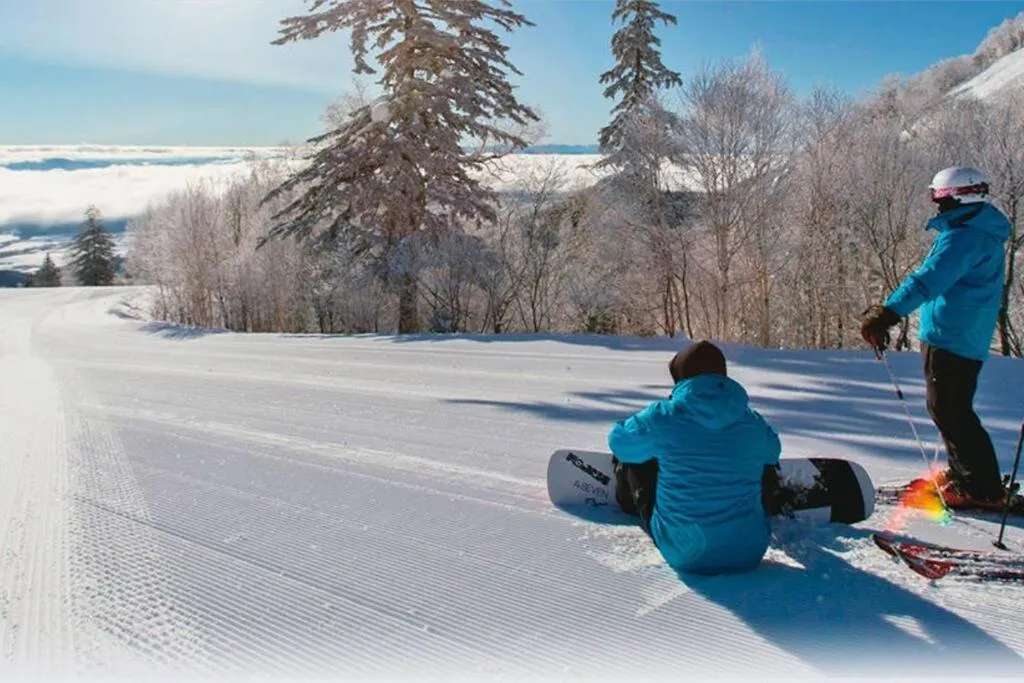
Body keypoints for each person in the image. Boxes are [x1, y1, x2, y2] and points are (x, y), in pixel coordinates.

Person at [860, 166, 1011, 510]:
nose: (937, 206)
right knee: (948, 406)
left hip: (952, 335)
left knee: (950, 408)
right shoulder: (976, 230)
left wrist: (888, 313)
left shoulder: (964, 237)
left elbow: (927, 280)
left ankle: (981, 488)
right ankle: (967, 474)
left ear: (957, 198)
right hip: (962, 331)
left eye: (939, 198)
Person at [608, 340, 781, 575]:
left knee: (637, 458)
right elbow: (774, 451)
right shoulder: (751, 420)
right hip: (749, 552)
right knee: (763, 461)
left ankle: (628, 498)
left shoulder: (663, 417)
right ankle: (766, 500)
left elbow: (619, 443)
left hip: (685, 552)